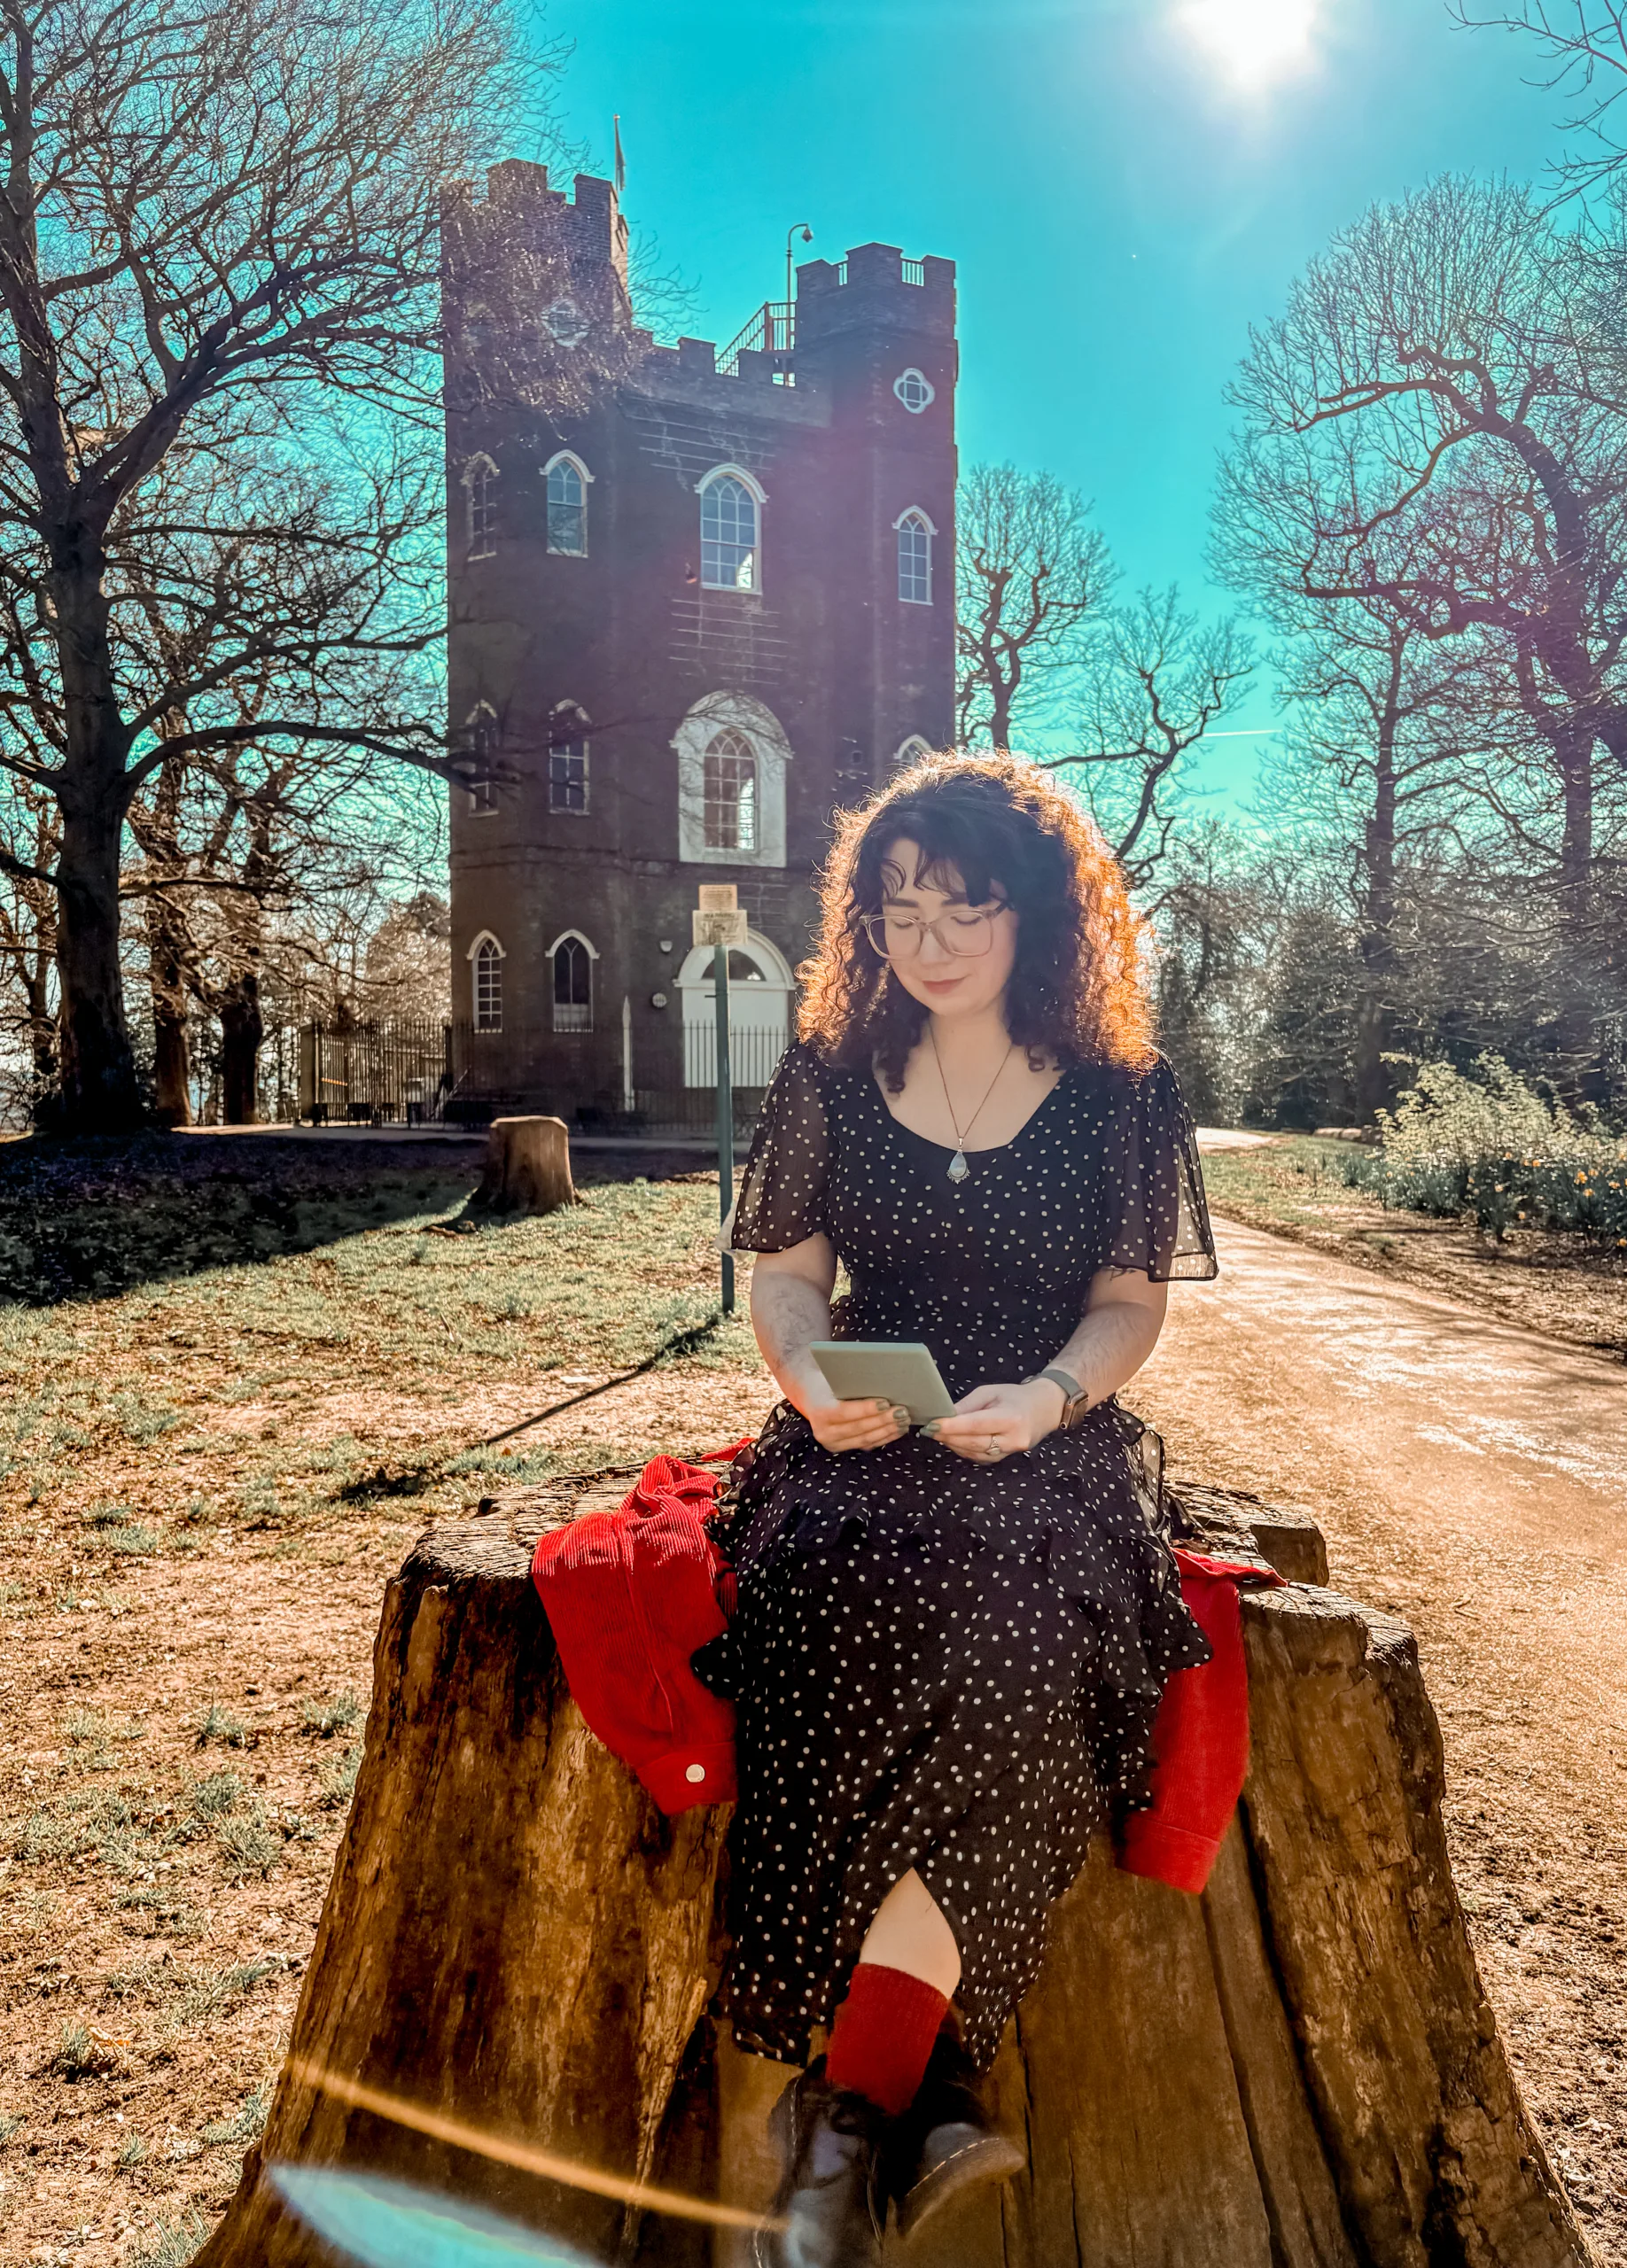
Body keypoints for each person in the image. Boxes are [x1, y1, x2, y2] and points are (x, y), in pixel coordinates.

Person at [699, 751, 1218, 2267]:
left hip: (1047, 1434)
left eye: (964, 909)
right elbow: (787, 1278)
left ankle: (839, 2125)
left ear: (1042, 913)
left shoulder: (1123, 1095)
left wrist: (1055, 1394)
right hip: (860, 1426)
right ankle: (924, 2103)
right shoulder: (825, 1078)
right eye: (900, 908)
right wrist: (804, 1382)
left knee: (1009, 1629)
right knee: (854, 1597)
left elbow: (1131, 1307)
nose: (927, 942)